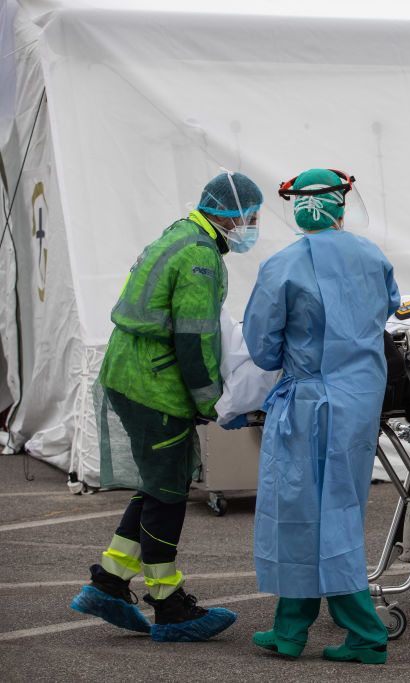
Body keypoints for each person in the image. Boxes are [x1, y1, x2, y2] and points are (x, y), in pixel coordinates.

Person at [71, 171, 262, 642]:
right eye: (251, 218)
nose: (253, 227)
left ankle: (111, 582)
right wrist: (211, 401)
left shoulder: (180, 233)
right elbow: (193, 337)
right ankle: (169, 604)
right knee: (168, 493)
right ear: (229, 214)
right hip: (153, 385)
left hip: (131, 373)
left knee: (161, 481)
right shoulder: (199, 255)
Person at [246, 168, 400, 663]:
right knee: (329, 512)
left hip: (308, 403)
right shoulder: (372, 256)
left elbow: (263, 348)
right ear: (341, 204)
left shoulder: (283, 265)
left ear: (297, 207)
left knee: (308, 514)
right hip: (358, 401)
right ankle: (290, 629)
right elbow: (391, 309)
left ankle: (365, 632)